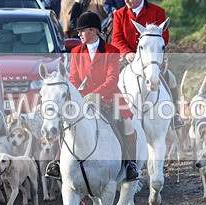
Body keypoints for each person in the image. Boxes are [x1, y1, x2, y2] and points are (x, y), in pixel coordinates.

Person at [45, 11, 139, 182]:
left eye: (82, 31)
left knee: (128, 126)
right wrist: (79, 95)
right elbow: (73, 78)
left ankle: (129, 164)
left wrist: (94, 94)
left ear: (94, 31)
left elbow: (112, 79)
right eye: (79, 31)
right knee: (65, 123)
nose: (79, 34)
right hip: (81, 98)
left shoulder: (111, 51)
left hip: (110, 97)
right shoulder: (75, 51)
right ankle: (57, 162)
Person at [111, 0, 184, 129]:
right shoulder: (119, 14)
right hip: (127, 58)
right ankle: (112, 115)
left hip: (153, 59)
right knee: (111, 79)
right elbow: (116, 38)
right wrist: (126, 53)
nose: (126, 2)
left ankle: (175, 115)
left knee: (171, 79)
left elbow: (164, 37)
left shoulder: (158, 12)